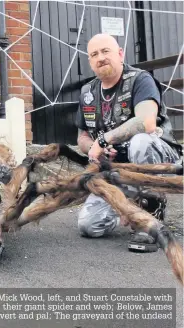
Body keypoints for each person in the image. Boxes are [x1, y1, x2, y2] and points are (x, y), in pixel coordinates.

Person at [75, 34, 182, 252]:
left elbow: (147, 122)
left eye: (106, 51)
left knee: (140, 142)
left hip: (161, 161)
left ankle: (150, 220)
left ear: (120, 53)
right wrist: (97, 149)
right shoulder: (87, 92)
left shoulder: (140, 79)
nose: (101, 57)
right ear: (90, 61)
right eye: (94, 54)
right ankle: (128, 203)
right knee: (89, 226)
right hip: (118, 170)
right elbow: (82, 138)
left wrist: (104, 139)